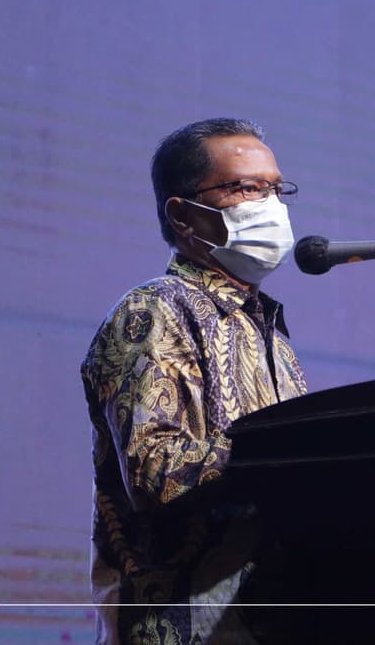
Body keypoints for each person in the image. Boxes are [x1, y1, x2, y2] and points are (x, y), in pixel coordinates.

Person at [81, 118, 308, 644]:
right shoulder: (155, 309)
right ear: (182, 215)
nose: (269, 205)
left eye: (276, 189)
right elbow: (153, 470)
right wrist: (296, 455)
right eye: (247, 187)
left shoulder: (271, 333)